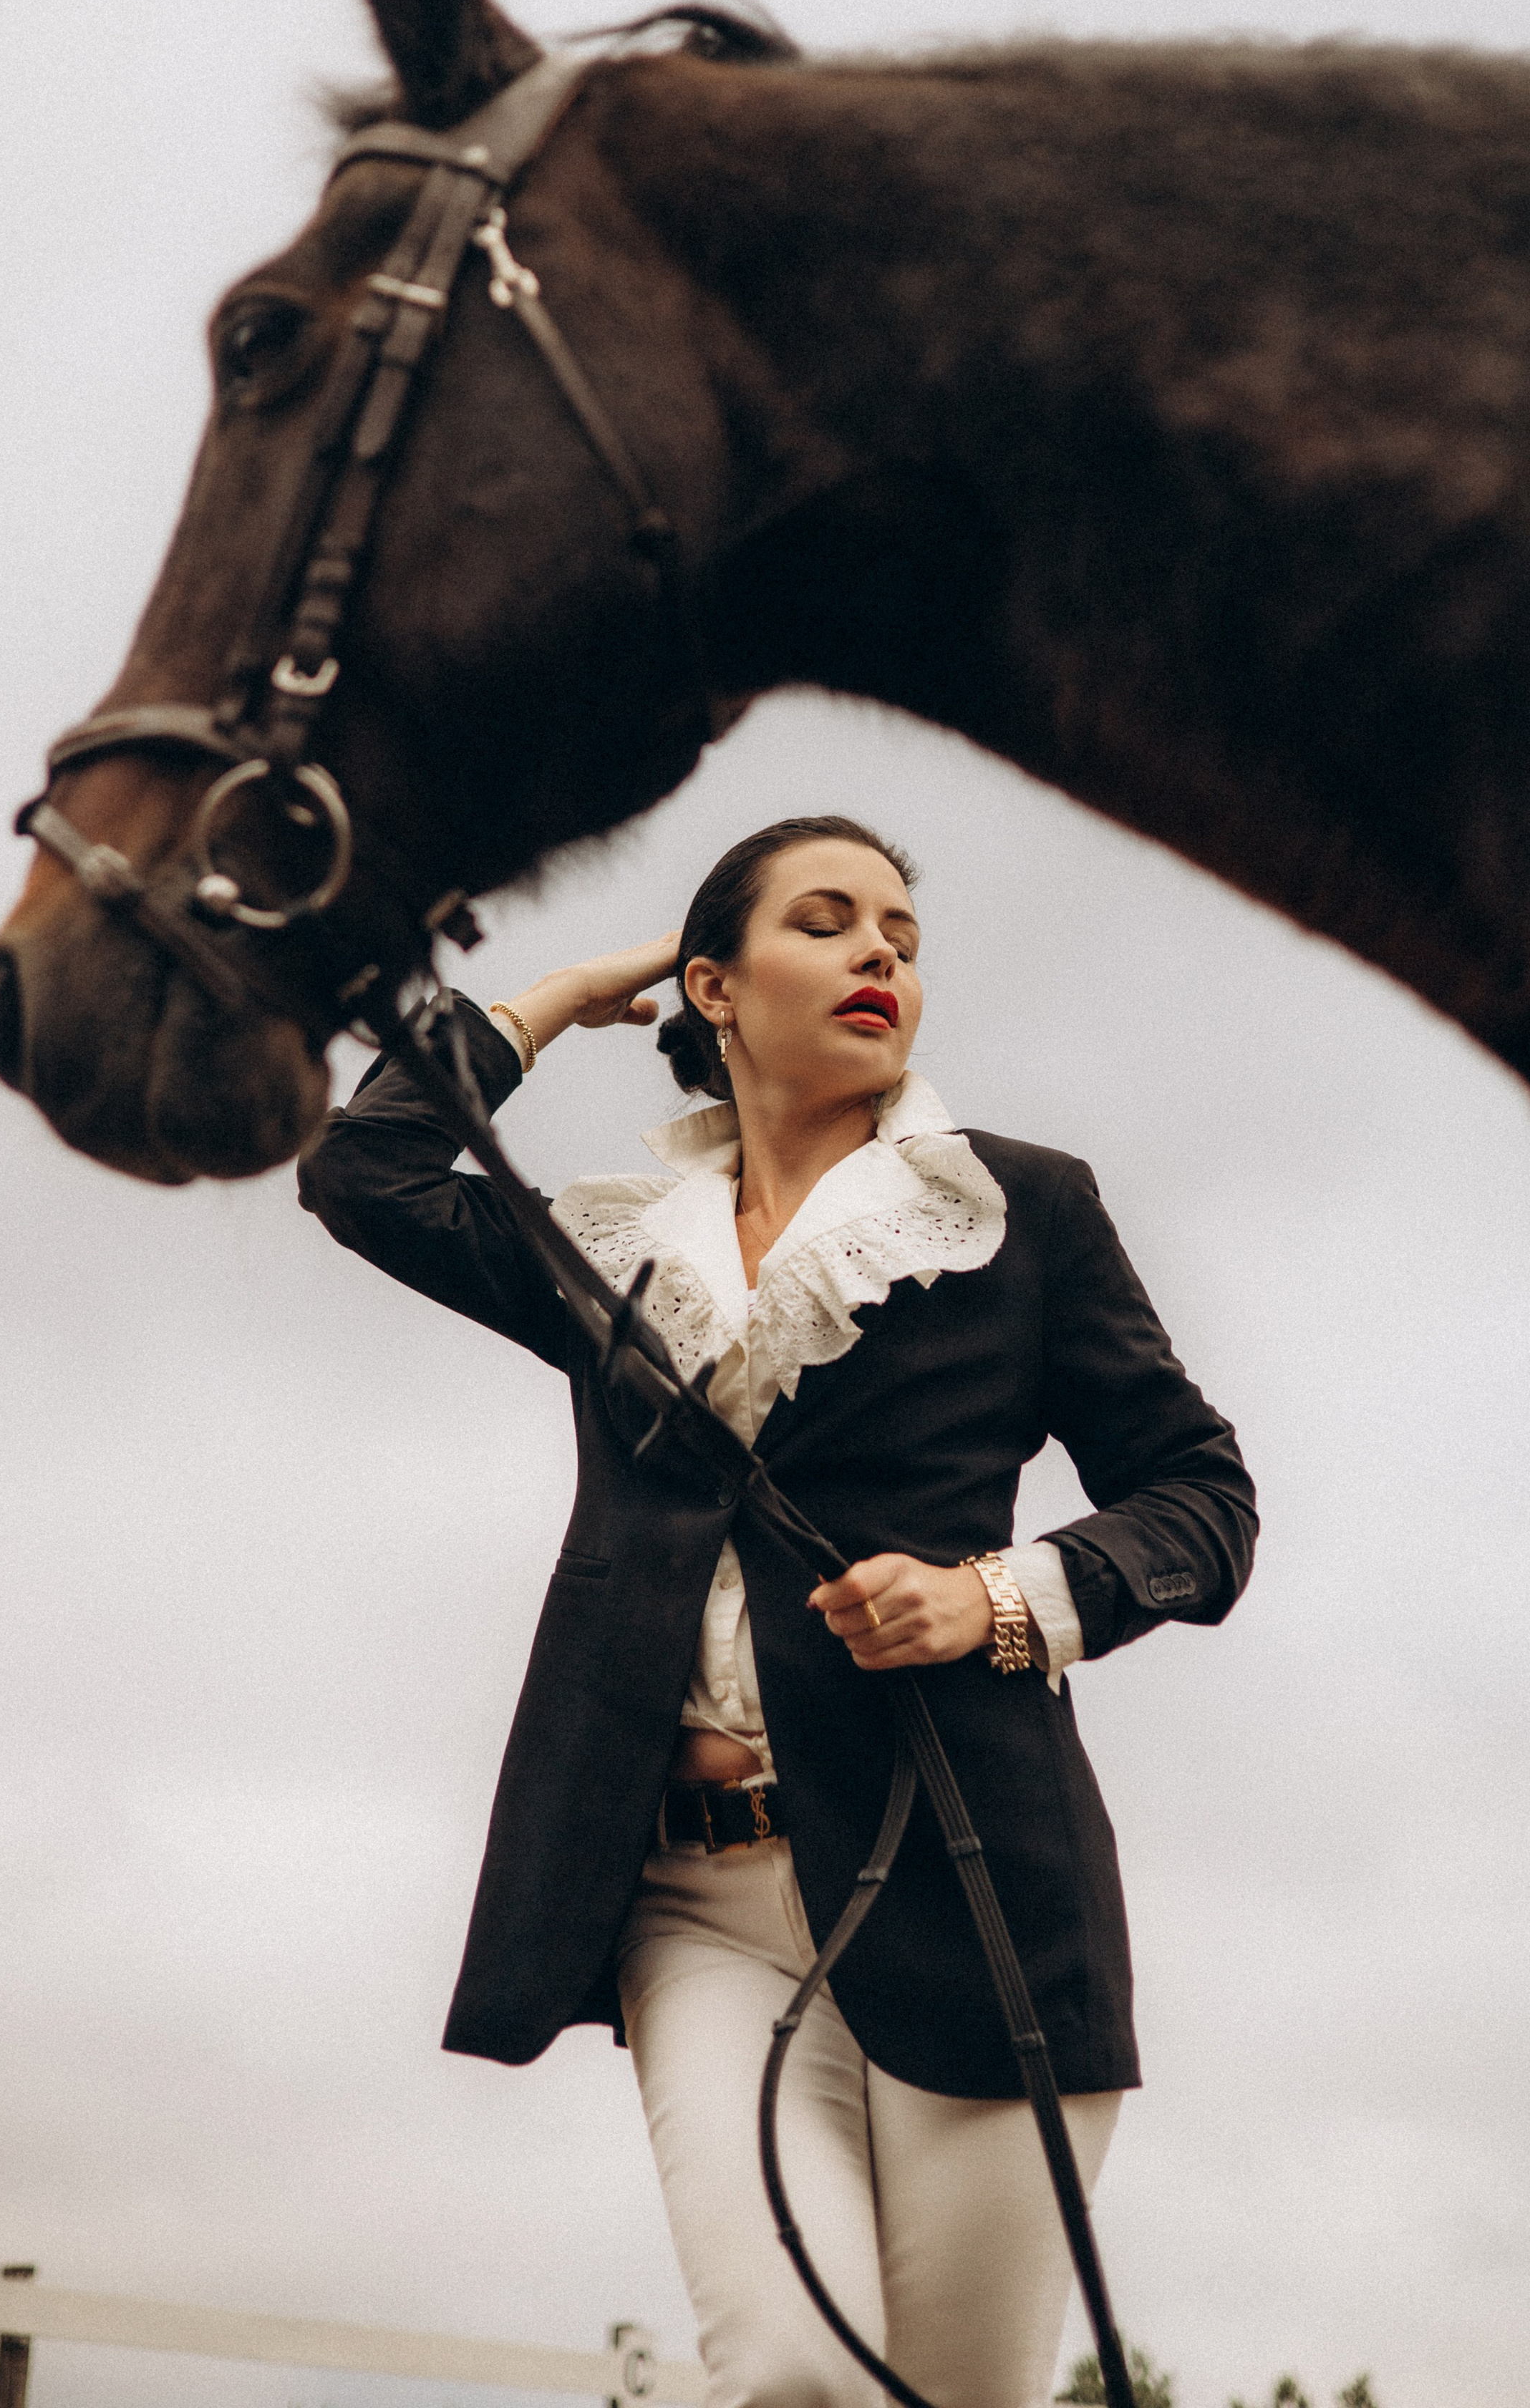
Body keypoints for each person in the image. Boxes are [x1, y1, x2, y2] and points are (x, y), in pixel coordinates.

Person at [297, 814, 1256, 2408]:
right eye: (825, 921)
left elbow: (1201, 1501)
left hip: (972, 1879)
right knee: (790, 2381)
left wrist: (993, 1600)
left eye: (902, 932)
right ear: (718, 988)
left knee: (956, 2397)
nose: (883, 952)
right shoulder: (608, 1250)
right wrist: (556, 996)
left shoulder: (1022, 1213)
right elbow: (364, 1170)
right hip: (690, 1907)